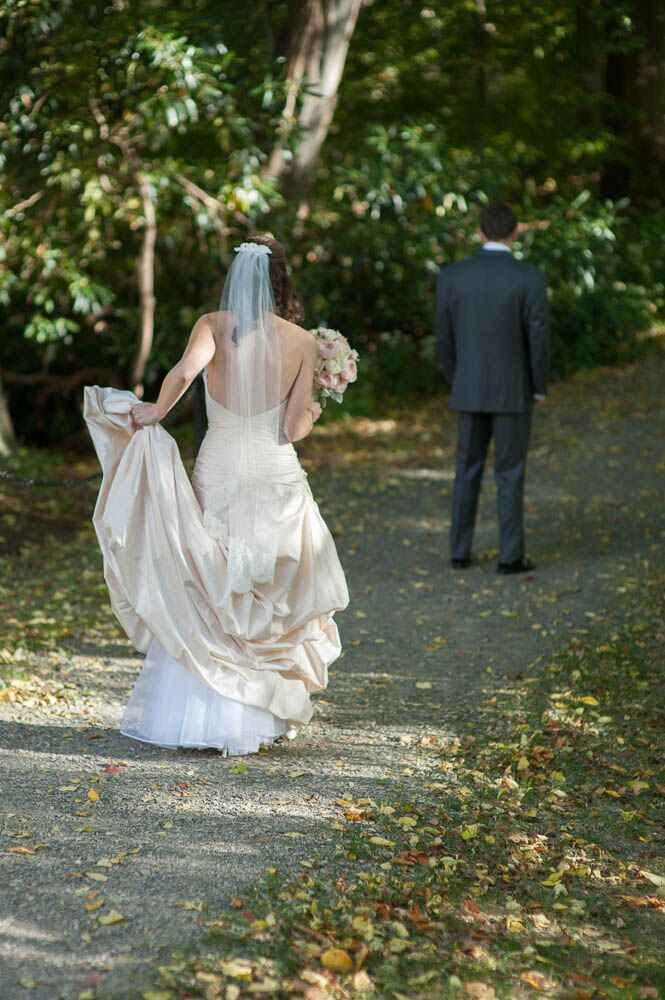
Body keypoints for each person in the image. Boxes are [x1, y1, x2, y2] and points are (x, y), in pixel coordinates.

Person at [84, 236, 349, 755]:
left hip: (219, 466)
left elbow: (184, 373)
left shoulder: (211, 324)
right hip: (274, 475)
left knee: (212, 582)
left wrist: (156, 412)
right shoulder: (302, 342)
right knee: (270, 586)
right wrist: (316, 411)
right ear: (282, 278)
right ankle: (258, 716)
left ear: (237, 276)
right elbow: (293, 430)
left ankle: (196, 713)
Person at [435, 202, 549, 574]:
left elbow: (444, 338)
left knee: (466, 468)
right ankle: (510, 556)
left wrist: (458, 379)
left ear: (480, 232)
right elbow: (538, 338)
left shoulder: (452, 276)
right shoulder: (529, 278)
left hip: (468, 386)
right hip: (514, 390)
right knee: (510, 471)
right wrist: (538, 384)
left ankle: (459, 551)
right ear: (514, 233)